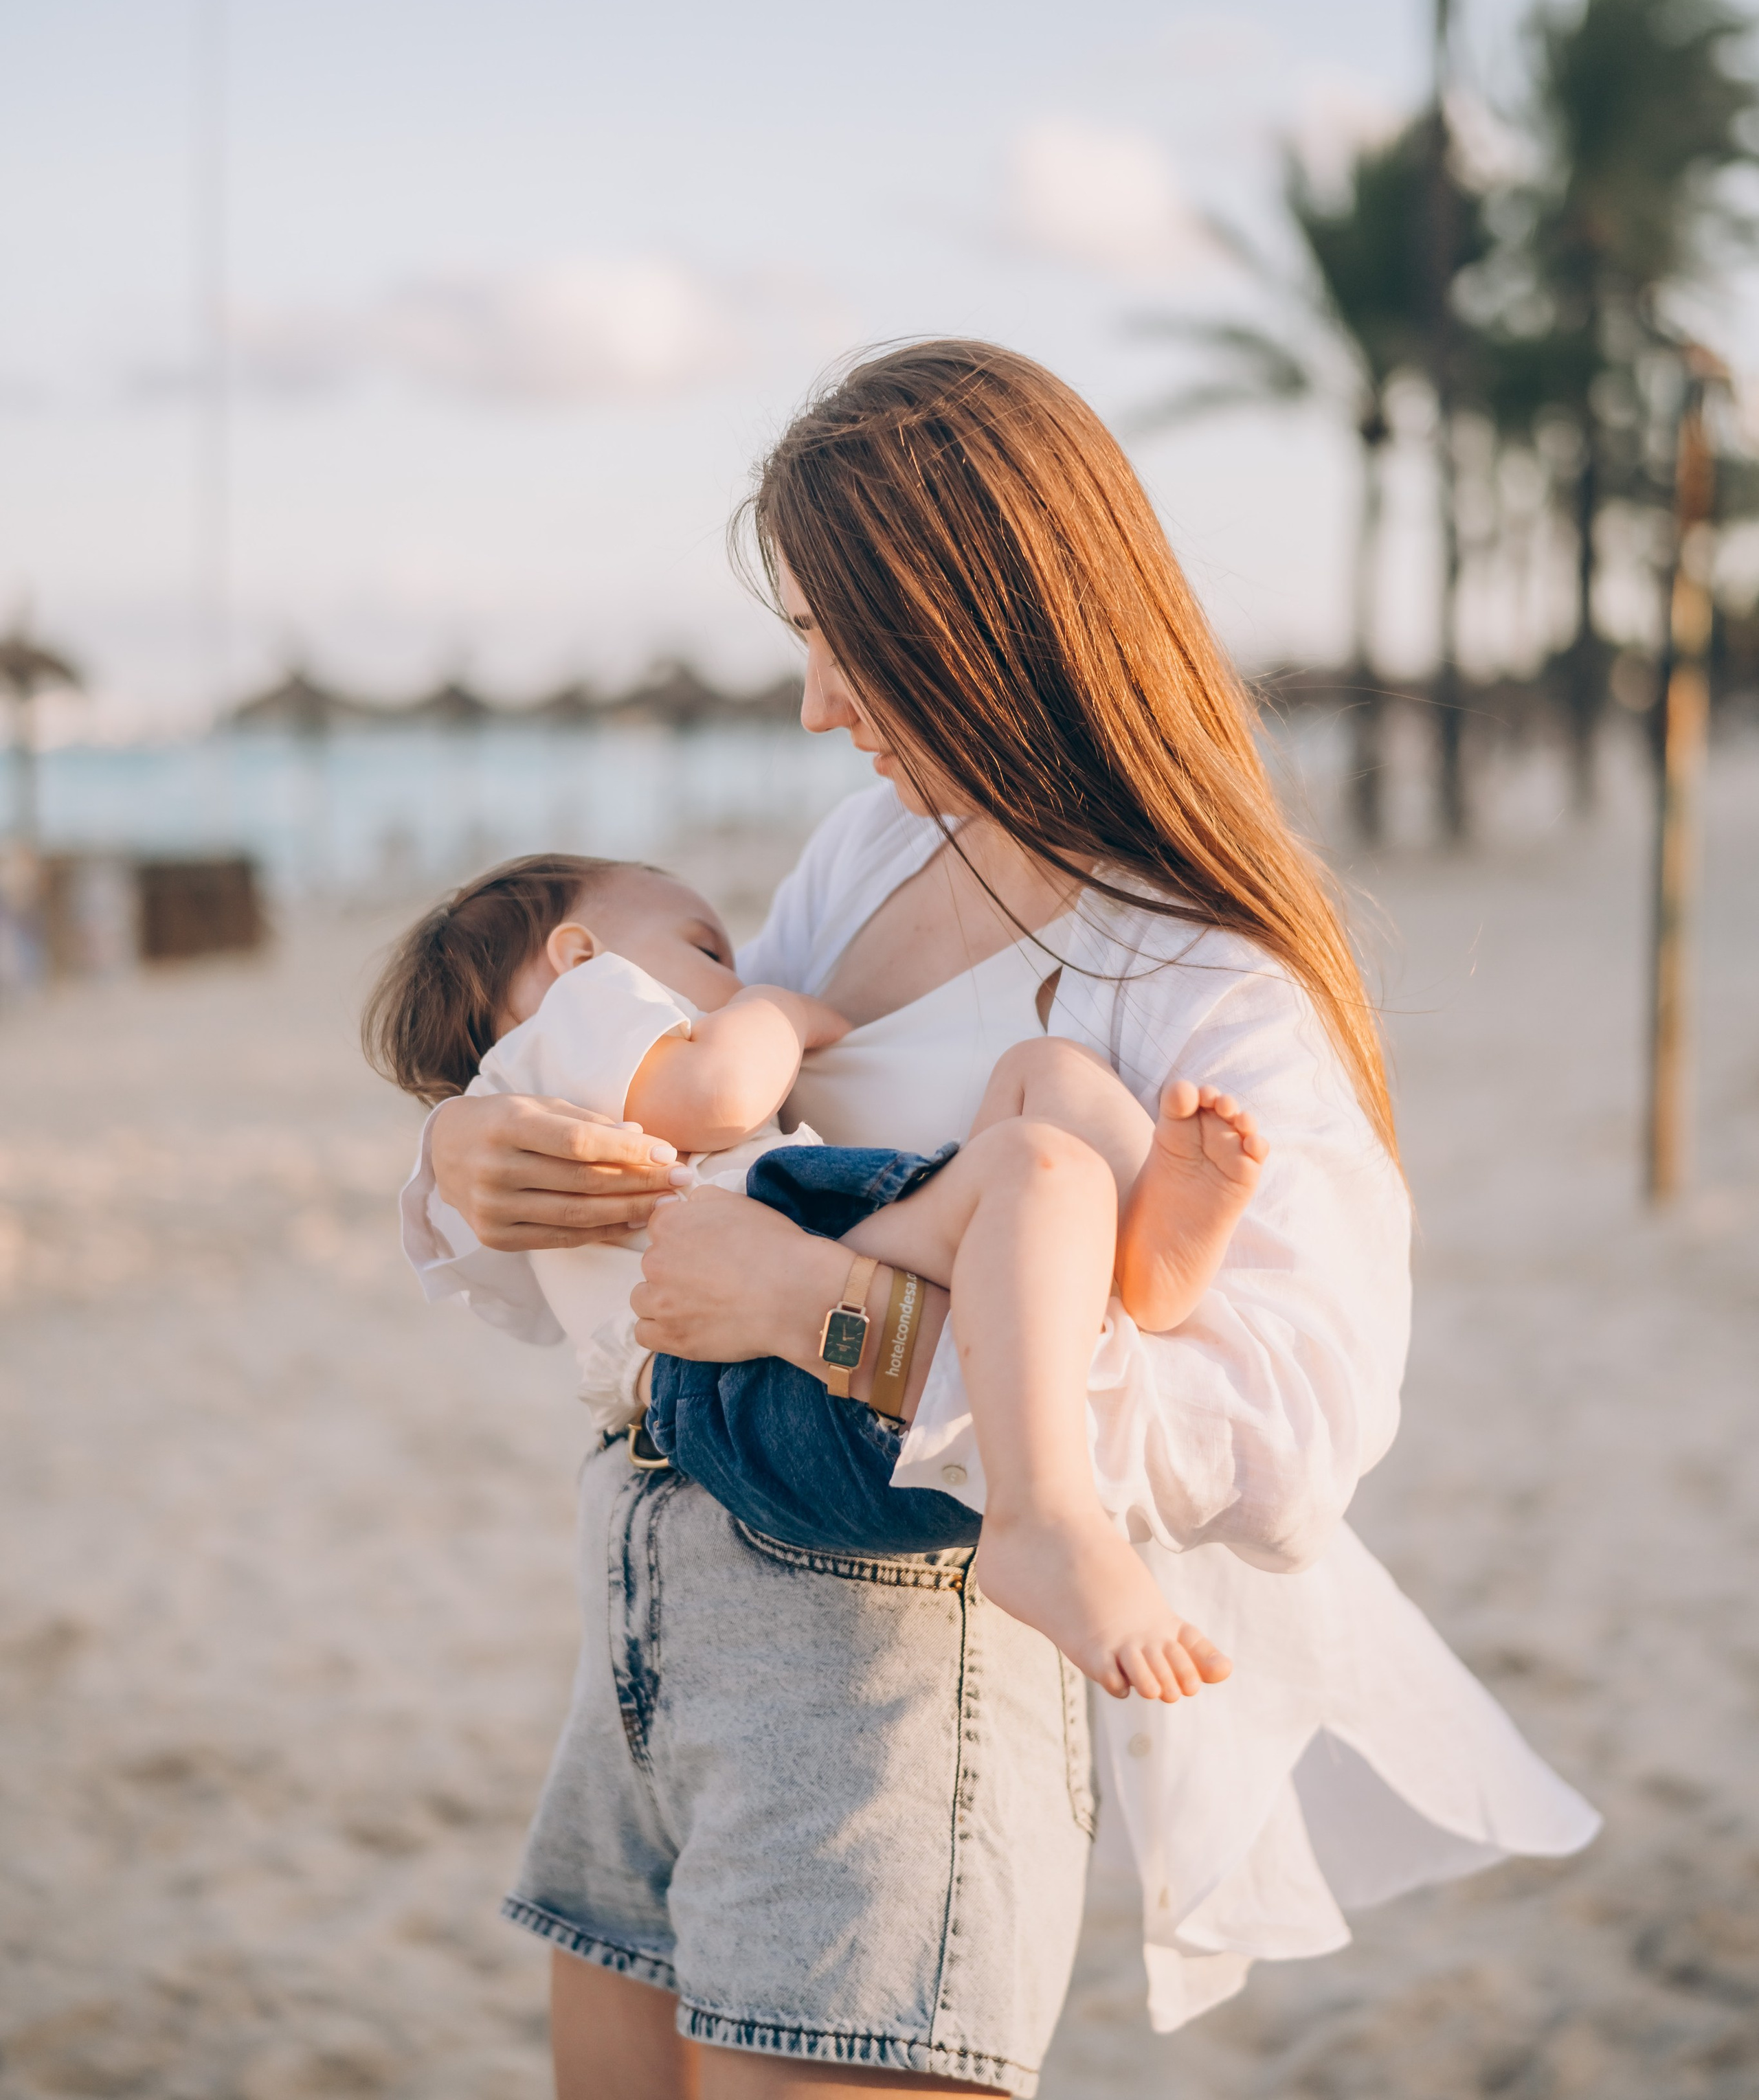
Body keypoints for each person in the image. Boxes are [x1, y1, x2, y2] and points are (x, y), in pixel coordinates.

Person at [403, 340, 1597, 2100]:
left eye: (839, 640)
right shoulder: (871, 854)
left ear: (985, 618)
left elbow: (1286, 1440)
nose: (815, 704)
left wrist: (826, 1312)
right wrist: (462, 1159)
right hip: (657, 1637)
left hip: (887, 1683)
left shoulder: (1208, 979)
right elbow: (685, 1119)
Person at [366, 847, 1263, 1698]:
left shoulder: (569, 1086)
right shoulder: (574, 1022)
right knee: (1028, 1156)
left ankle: (1138, 1262)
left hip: (794, 1344)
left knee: (1044, 1115)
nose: (743, 973)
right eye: (708, 949)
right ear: (577, 956)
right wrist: (781, 1015)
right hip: (746, 1388)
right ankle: (1040, 1514)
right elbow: (718, 1093)